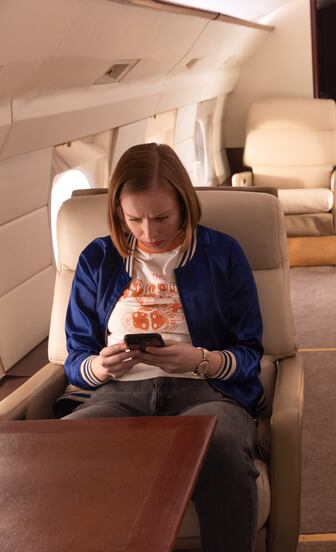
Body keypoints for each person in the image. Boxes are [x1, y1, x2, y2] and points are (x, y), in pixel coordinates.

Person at [63, 143, 263, 552]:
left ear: (184, 205)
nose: (149, 232)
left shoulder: (222, 253)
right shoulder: (98, 258)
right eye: (134, 219)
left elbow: (249, 353)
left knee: (220, 447)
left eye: (161, 217)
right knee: (67, 446)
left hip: (206, 392)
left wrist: (201, 360)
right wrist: (100, 368)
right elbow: (76, 356)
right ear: (118, 211)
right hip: (117, 396)